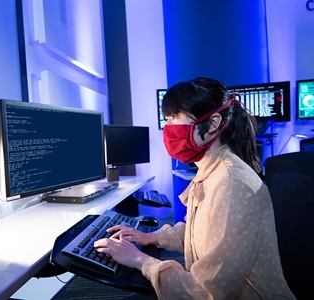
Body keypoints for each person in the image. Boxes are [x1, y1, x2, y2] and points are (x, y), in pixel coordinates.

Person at [94, 77, 295, 299]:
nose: (168, 128)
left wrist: (140, 260)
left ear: (213, 123)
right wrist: (150, 238)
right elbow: (202, 234)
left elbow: (207, 293)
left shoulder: (231, 183)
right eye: (167, 119)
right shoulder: (214, 168)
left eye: (175, 118)